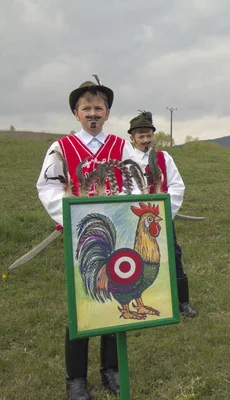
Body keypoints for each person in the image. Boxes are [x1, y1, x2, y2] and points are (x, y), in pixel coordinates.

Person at [37, 78, 133, 399]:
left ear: (107, 114)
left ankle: (111, 369)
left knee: (115, 299)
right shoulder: (61, 149)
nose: (93, 113)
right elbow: (48, 187)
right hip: (82, 240)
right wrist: (70, 215)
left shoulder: (122, 146)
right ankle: (75, 378)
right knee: (83, 305)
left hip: (117, 234)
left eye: (99, 108)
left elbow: (137, 182)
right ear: (76, 113)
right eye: (86, 108)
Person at [128, 111, 198, 318]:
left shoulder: (163, 157)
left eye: (148, 135)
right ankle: (145, 300)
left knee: (174, 256)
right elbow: (125, 188)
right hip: (137, 221)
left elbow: (177, 186)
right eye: (140, 136)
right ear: (132, 138)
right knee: (140, 260)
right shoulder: (126, 159)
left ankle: (183, 302)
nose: (145, 140)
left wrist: (165, 211)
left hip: (162, 218)